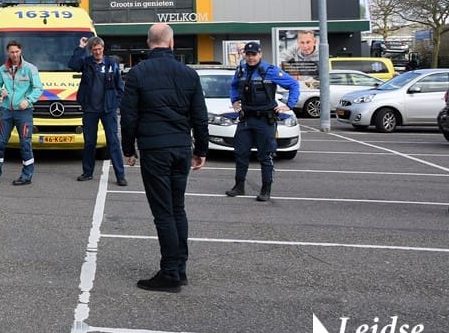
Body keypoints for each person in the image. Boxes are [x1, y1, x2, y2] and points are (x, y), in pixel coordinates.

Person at [121, 23, 208, 293]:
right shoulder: (189, 74)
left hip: (155, 149)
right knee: (177, 208)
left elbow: (129, 116)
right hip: (181, 147)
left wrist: (128, 149)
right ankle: (180, 268)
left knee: (164, 213)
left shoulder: (137, 73)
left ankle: (170, 272)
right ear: (172, 43)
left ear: (149, 43)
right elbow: (200, 116)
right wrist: (201, 150)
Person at [227, 40, 300, 202]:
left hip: (265, 120)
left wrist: (289, 105)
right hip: (246, 118)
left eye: (254, 54)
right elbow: (234, 86)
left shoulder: (270, 71)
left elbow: (293, 85)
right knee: (240, 153)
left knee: (265, 155)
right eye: (248, 54)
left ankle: (266, 190)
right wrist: (234, 100)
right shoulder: (241, 70)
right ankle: (239, 186)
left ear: (260, 54)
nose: (251, 57)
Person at [68, 35, 126, 185]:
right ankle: (87, 173)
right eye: (94, 50)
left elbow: (119, 87)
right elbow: (73, 65)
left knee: (113, 142)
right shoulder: (86, 63)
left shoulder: (111, 64)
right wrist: (80, 48)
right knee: (89, 143)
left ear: (103, 49)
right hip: (90, 110)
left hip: (108, 110)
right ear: (91, 50)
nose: (97, 52)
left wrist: (115, 104)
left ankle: (120, 175)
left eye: (99, 49)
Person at [0, 41, 43, 186]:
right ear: (8, 52)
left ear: (21, 51)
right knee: (0, 142)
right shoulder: (2, 69)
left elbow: (38, 88)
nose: (14, 54)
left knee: (25, 144)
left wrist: (28, 100)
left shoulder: (30, 69)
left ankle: (26, 176)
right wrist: (0, 91)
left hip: (24, 112)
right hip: (6, 111)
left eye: (17, 51)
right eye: (12, 52)